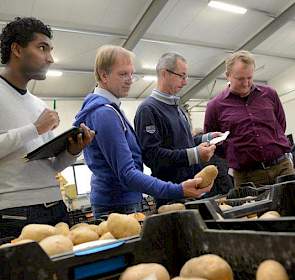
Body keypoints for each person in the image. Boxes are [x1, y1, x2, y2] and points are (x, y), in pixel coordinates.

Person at [74, 45, 213, 218]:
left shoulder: (110, 109)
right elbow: (127, 173)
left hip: (121, 199)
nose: (130, 80)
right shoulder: (105, 113)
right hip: (118, 203)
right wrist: (177, 189)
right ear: (104, 75)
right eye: (123, 74)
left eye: (131, 74)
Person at [0, 17, 95, 237]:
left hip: (55, 206)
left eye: (50, 50)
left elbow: (50, 167)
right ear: (17, 49)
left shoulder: (38, 103)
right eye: (42, 48)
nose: (50, 59)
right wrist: (35, 128)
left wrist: (73, 151)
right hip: (14, 213)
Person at [134, 52, 219, 206]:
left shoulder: (177, 107)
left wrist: (206, 138)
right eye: (182, 76)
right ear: (164, 74)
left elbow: (182, 143)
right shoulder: (148, 110)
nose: (185, 82)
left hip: (194, 189)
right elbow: (152, 156)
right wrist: (195, 155)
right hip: (173, 195)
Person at [204, 50, 295, 187]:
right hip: (247, 177)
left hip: (282, 167)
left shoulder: (269, 94)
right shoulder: (215, 106)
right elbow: (213, 141)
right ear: (228, 75)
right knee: (254, 209)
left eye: (250, 77)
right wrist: (237, 155)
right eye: (240, 79)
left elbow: (280, 125)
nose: (246, 83)